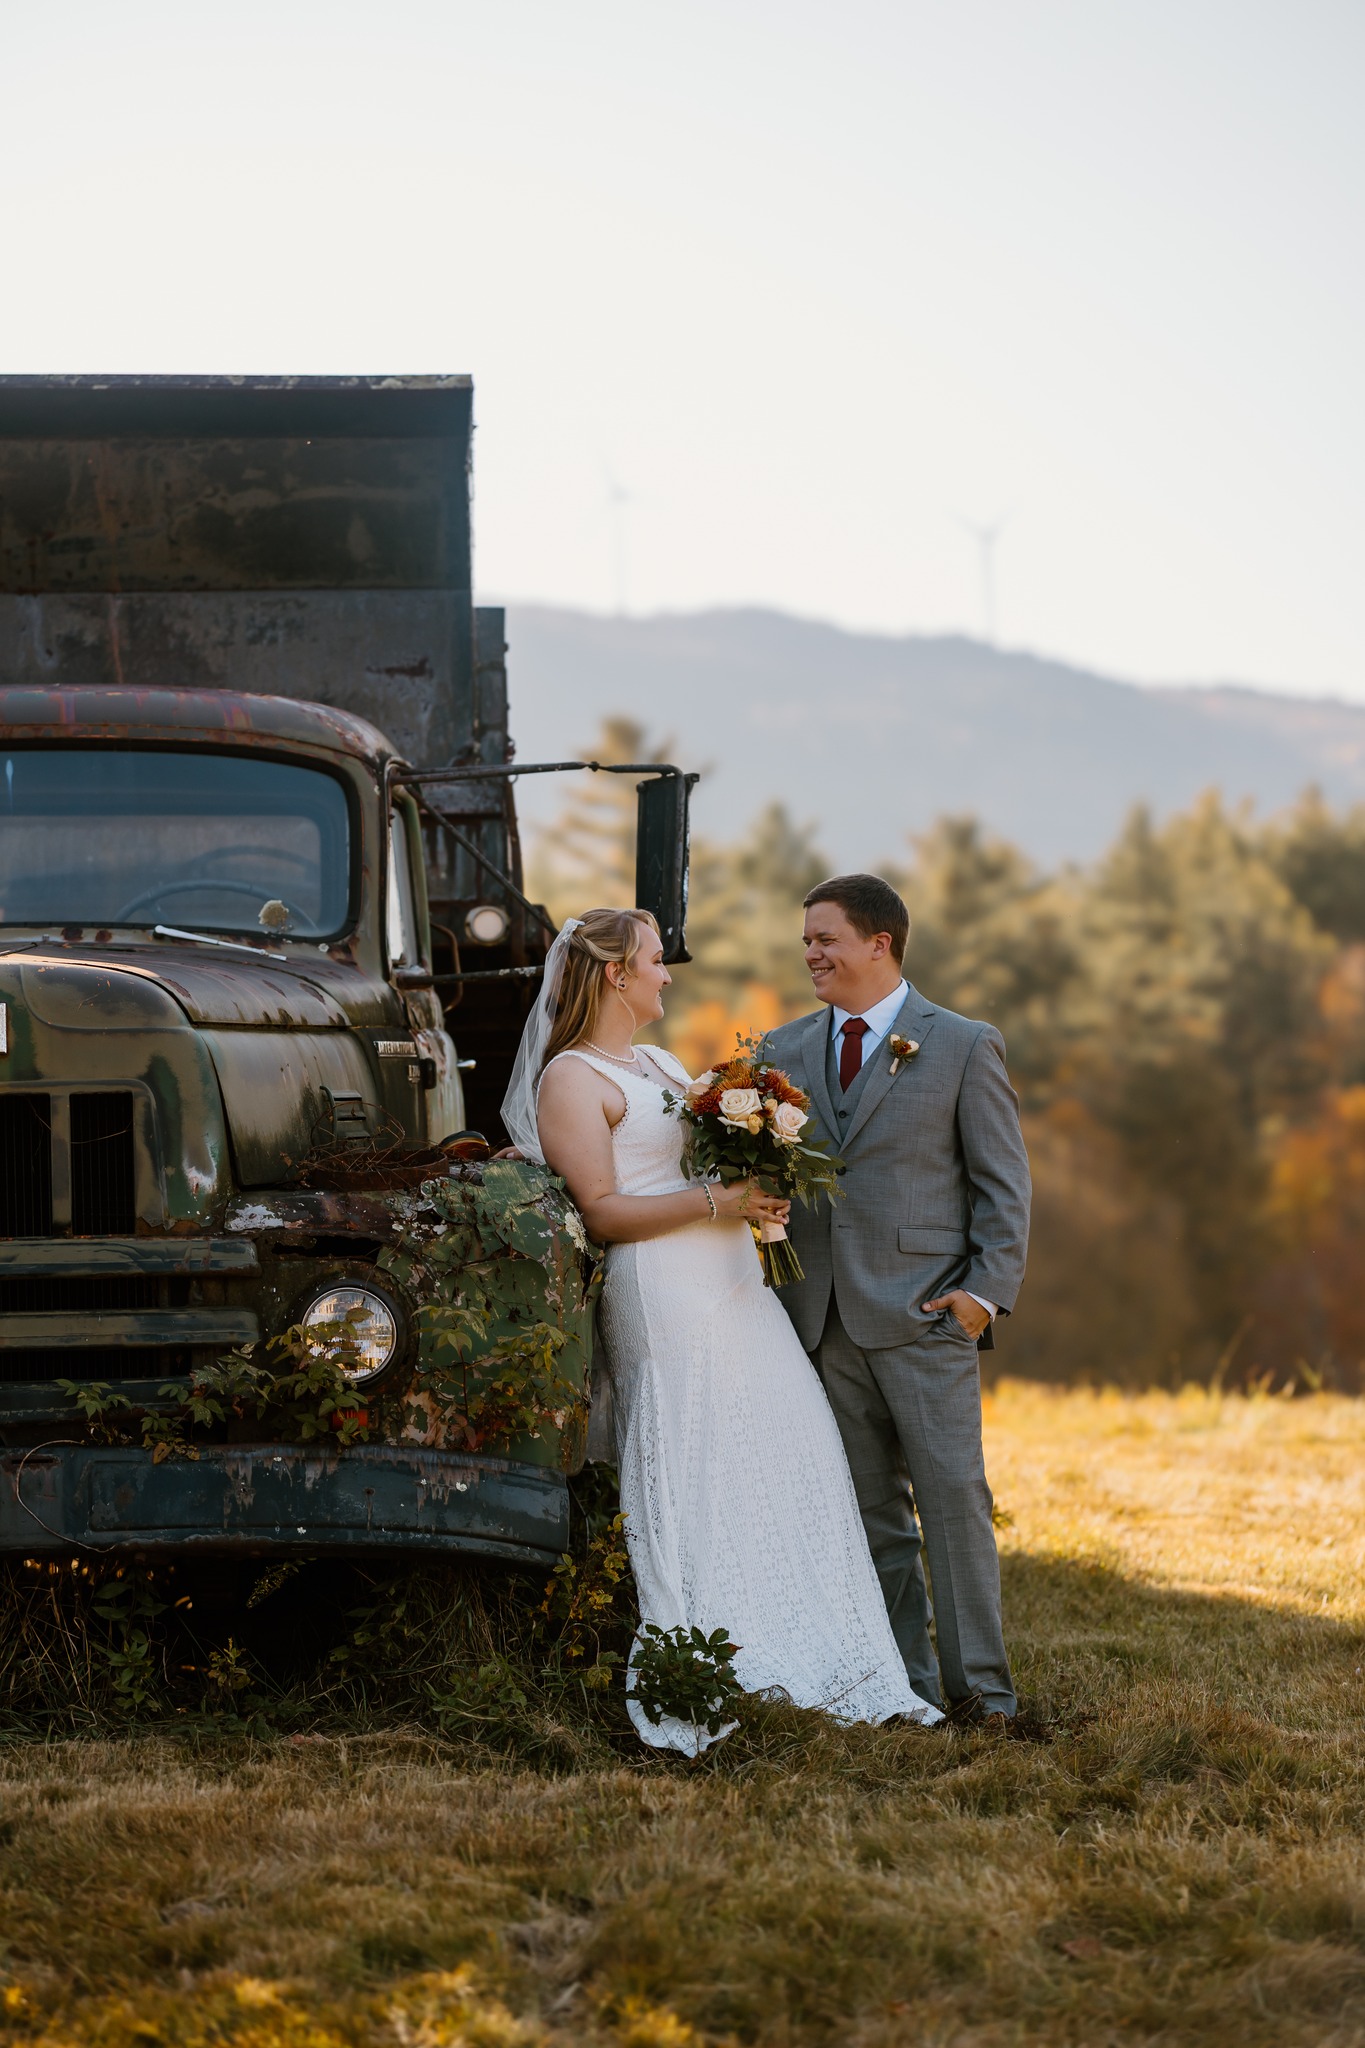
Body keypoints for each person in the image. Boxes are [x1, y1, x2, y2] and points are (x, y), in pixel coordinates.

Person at [502, 906, 943, 1753]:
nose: (669, 974)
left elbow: (689, 1158)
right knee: (702, 1454)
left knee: (788, 1442)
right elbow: (600, 1211)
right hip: (662, 1289)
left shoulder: (660, 1063)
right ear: (615, 976)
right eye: (656, 961)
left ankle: (836, 1656)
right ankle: (714, 1658)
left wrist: (754, 1171)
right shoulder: (571, 1078)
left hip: (732, 1276)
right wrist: (719, 1201)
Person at [762, 874, 1031, 1727]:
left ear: (880, 943)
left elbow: (1003, 1188)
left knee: (953, 1502)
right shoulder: (779, 1050)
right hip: (820, 1321)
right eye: (805, 940)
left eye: (825, 939)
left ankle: (981, 1694)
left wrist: (981, 1297)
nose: (810, 953)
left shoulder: (959, 1044)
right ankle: (901, 1691)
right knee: (870, 1512)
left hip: (925, 1314)